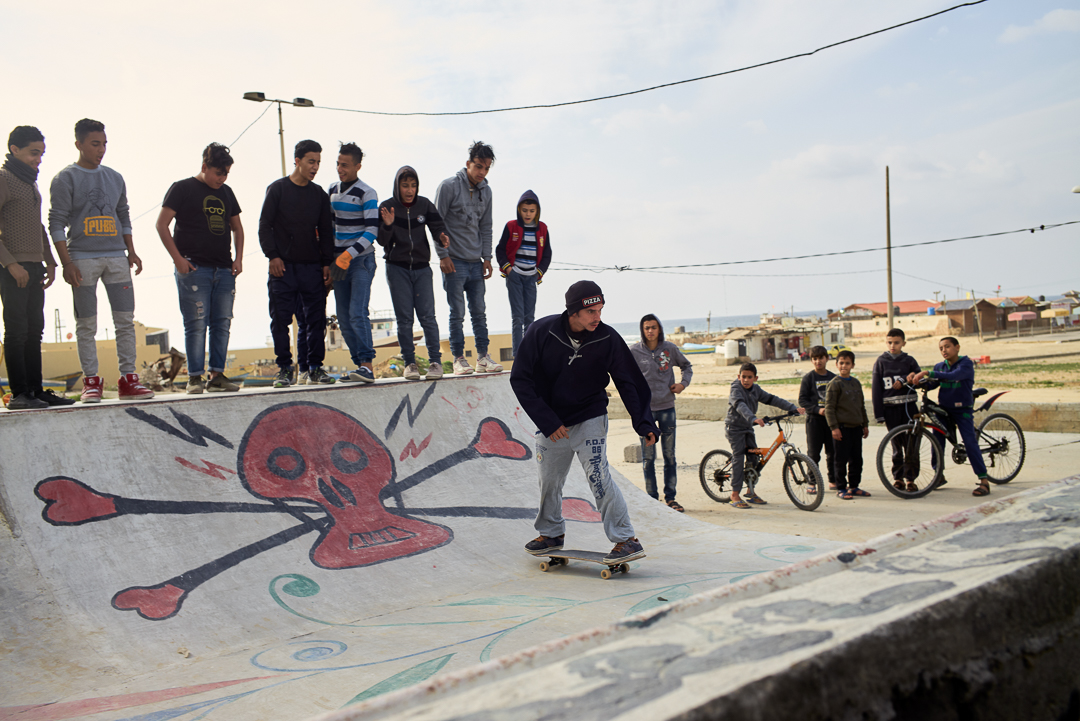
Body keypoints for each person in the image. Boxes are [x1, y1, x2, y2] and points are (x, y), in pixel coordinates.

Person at [510, 280, 657, 564]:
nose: (597, 317)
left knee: (598, 476)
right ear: (573, 312)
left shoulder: (607, 338)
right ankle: (551, 533)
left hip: (590, 415)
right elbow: (520, 379)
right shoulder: (542, 332)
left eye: (600, 310)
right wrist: (548, 420)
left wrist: (644, 422)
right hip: (552, 422)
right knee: (549, 481)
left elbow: (630, 382)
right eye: (591, 312)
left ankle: (626, 539)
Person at [48, 118, 153, 403]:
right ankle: (91, 381)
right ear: (78, 144)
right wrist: (66, 262)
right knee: (86, 324)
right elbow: (56, 222)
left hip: (117, 258)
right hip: (82, 259)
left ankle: (129, 379)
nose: (101, 149)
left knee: (124, 321)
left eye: (104, 144)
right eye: (95, 144)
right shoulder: (65, 178)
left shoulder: (115, 177)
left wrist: (131, 250)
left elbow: (124, 214)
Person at [156, 143, 244, 395]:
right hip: (194, 269)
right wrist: (177, 259)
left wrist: (238, 259)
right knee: (196, 323)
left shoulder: (227, 192)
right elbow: (161, 225)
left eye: (226, 173)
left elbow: (237, 227)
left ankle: (216, 375)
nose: (222, 178)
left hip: (224, 270)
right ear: (204, 166)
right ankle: (194, 377)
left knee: (222, 323)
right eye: (218, 173)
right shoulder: (182, 188)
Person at [1, 126, 71, 410]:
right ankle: (19, 394)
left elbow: (38, 226)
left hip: (34, 266)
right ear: (14, 150)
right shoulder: (4, 179)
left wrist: (51, 260)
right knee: (17, 331)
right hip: (12, 268)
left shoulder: (31, 183)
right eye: (33, 153)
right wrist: (11, 264)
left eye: (41, 154)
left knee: (35, 330)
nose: (38, 159)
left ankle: (36, 390)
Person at [258, 139, 335, 388]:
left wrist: (326, 263)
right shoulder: (277, 189)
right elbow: (264, 226)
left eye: (318, 163)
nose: (315, 167)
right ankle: (284, 369)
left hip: (312, 267)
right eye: (311, 161)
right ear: (298, 160)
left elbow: (325, 231)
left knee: (315, 321)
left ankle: (314, 368)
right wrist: (273, 256)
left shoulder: (319, 195)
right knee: (281, 319)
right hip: (283, 268)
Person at [434, 141, 502, 375]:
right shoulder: (448, 187)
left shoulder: (488, 191)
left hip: (476, 263)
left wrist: (487, 257)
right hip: (454, 261)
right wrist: (443, 256)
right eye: (479, 166)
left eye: (486, 168)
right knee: (457, 313)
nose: (482, 172)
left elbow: (487, 226)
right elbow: (436, 224)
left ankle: (483, 357)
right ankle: (458, 359)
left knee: (480, 311)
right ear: (468, 164)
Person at [377, 165, 449, 381]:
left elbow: (437, 227)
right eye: (405, 185)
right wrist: (388, 225)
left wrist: (442, 237)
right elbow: (381, 240)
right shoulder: (387, 207)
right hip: (397, 268)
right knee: (405, 319)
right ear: (397, 186)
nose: (409, 190)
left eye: (413, 185)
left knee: (428, 317)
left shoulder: (424, 204)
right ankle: (410, 363)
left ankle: (435, 361)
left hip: (422, 268)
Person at [911, 336, 990, 497]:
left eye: (947, 347)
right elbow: (933, 383)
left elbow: (955, 375)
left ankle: (984, 481)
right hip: (944, 410)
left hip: (963, 410)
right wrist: (917, 381)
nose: (944, 351)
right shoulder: (940, 366)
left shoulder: (966, 364)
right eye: (941, 348)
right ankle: (938, 475)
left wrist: (927, 372)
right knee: (937, 440)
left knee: (969, 441)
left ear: (957, 347)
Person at [630, 314, 692, 511]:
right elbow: (624, 374)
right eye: (646, 328)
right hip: (645, 413)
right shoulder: (634, 351)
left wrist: (682, 384)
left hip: (667, 408)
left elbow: (686, 366)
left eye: (653, 327)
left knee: (669, 456)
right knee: (648, 458)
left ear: (659, 329)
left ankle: (671, 498)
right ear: (642, 330)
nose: (650, 331)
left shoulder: (670, 349)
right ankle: (651, 499)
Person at [328, 142, 378, 384]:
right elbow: (330, 227)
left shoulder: (367, 193)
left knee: (357, 312)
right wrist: (331, 260)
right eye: (338, 164)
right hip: (338, 263)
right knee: (343, 316)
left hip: (361, 260)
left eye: (345, 165)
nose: (340, 169)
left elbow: (372, 230)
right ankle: (359, 365)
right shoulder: (332, 190)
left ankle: (368, 365)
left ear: (358, 166)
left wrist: (348, 254)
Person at [726, 363, 805, 507]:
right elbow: (740, 405)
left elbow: (773, 399)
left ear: (755, 378)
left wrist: (793, 408)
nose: (746, 380)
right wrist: (753, 418)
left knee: (754, 457)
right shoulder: (736, 389)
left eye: (749, 377)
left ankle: (750, 492)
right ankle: (735, 494)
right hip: (735, 428)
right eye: (743, 377)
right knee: (739, 456)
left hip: (748, 427)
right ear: (739, 377)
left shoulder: (756, 390)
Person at [495, 190, 552, 357]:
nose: (528, 214)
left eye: (532, 211)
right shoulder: (511, 226)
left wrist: (539, 272)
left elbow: (547, 254)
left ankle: (529, 353)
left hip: (531, 276)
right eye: (525, 210)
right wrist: (508, 269)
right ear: (519, 210)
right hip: (515, 275)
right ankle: (518, 353)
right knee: (517, 317)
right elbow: (500, 250)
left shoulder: (543, 229)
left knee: (530, 318)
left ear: (537, 211)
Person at [871, 329, 923, 491]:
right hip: (890, 411)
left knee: (911, 445)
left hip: (909, 409)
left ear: (903, 343)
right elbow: (876, 390)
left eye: (896, 342)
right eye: (889, 342)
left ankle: (911, 479)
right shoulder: (881, 362)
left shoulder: (909, 361)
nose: (893, 346)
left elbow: (919, 380)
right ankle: (898, 478)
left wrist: (910, 379)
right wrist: (879, 414)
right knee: (896, 446)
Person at [824, 350, 871, 500]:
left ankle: (854, 486)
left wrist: (865, 424)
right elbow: (829, 408)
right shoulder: (834, 384)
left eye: (847, 363)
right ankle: (841, 488)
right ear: (837, 365)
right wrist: (834, 428)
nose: (844, 366)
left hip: (856, 427)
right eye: (841, 363)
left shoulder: (856, 383)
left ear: (853, 365)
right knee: (840, 459)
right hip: (841, 428)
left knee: (856, 459)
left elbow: (861, 406)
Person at [798, 345, 836, 490]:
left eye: (821, 358)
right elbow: (802, 400)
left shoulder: (833, 378)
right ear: (811, 360)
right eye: (815, 359)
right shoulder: (808, 378)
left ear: (827, 358)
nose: (818, 361)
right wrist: (817, 410)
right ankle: (812, 482)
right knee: (813, 453)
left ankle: (833, 480)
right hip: (814, 421)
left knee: (832, 452)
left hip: (831, 422)